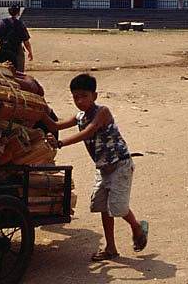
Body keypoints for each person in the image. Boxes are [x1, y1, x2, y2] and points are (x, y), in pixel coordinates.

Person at [42, 74, 148, 261]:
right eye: (75, 97)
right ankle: (111, 249)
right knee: (102, 207)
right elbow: (55, 125)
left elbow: (88, 132)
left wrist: (59, 143)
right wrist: (38, 109)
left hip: (120, 165)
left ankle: (137, 226)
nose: (80, 101)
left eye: (84, 96)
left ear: (95, 96)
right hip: (103, 168)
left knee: (118, 208)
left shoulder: (103, 112)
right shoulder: (80, 116)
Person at [0, 5, 33, 72]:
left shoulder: (1, 23)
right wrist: (30, 52)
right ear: (18, 13)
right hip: (16, 51)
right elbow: (26, 42)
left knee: (1, 71)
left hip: (4, 50)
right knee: (19, 72)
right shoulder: (20, 24)